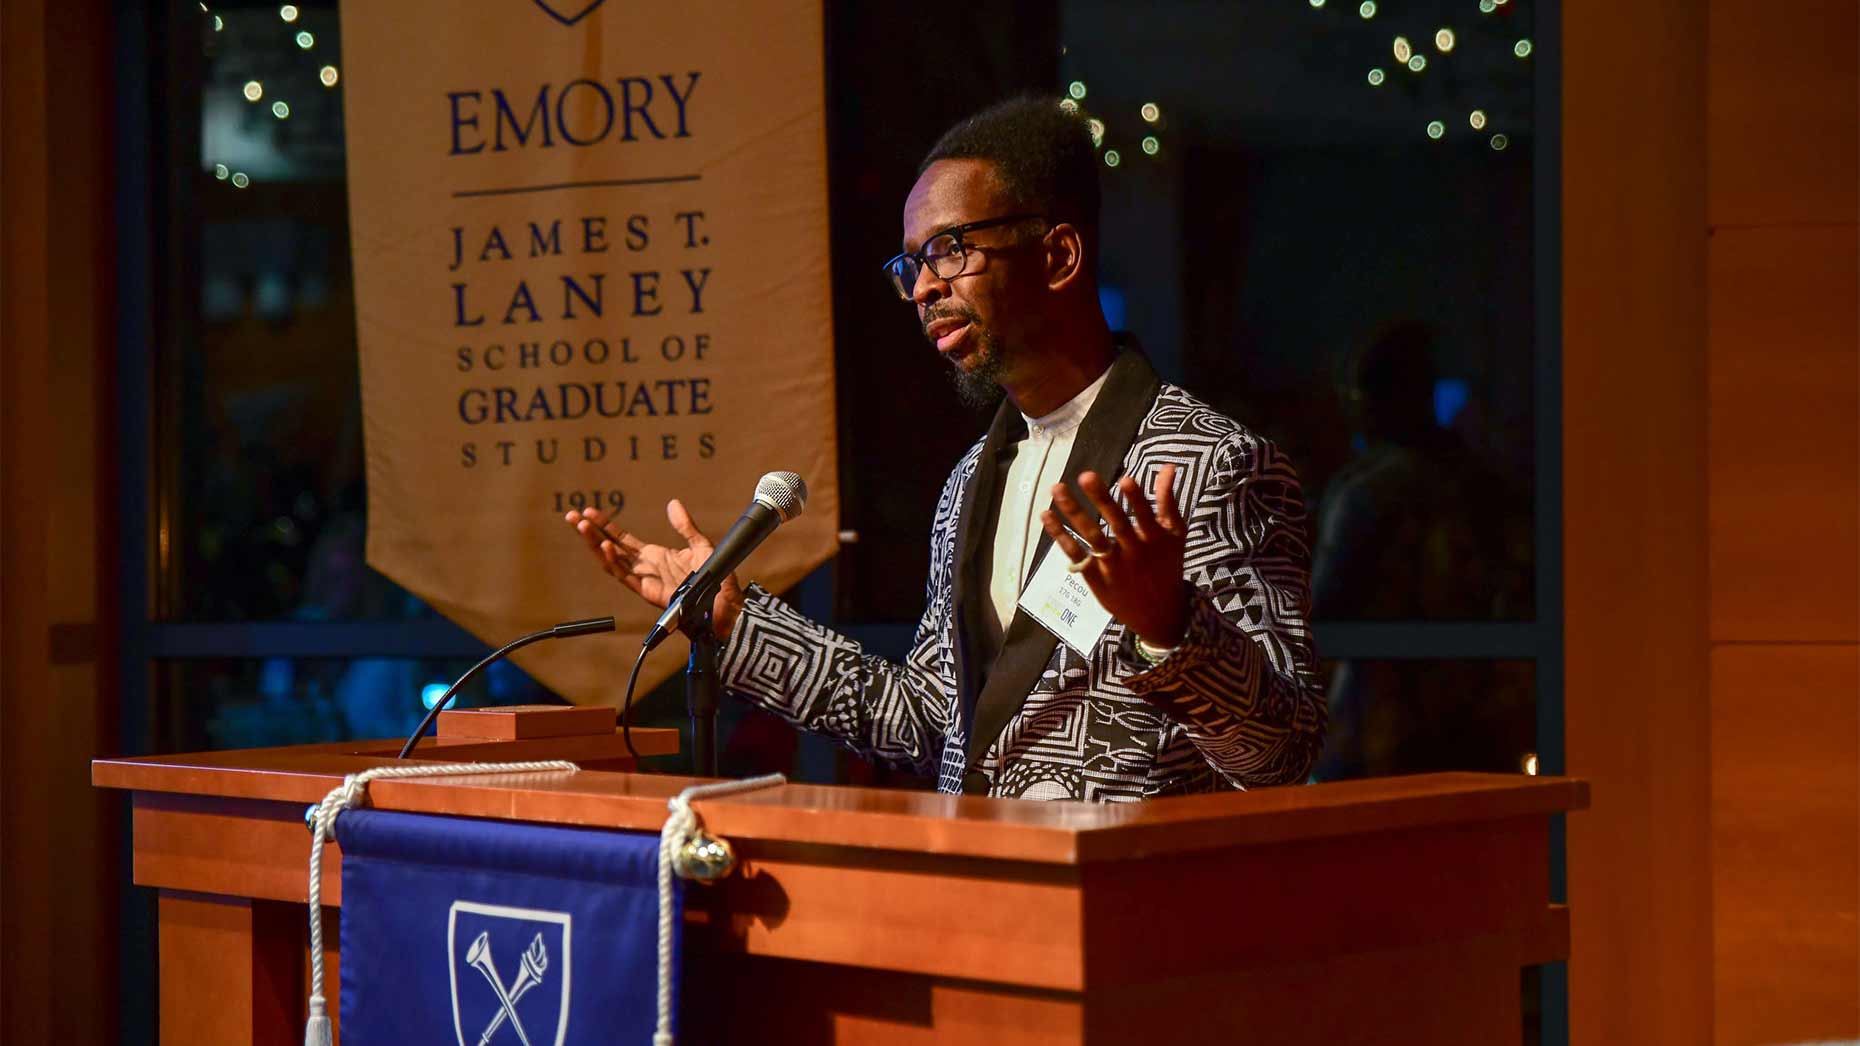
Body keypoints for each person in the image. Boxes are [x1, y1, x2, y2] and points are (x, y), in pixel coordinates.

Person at [567, 97, 1324, 801]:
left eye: (951, 250)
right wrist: (736, 622)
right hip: (983, 904)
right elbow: (925, 721)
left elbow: (1284, 753)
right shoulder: (969, 483)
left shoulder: (1212, 464)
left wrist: (1172, 628)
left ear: (1058, 257)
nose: (925, 287)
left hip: (1129, 915)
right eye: (913, 264)